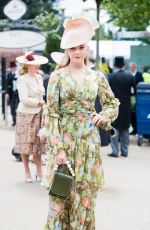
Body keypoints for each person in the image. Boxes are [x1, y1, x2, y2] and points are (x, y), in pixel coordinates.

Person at [43, 17, 119, 229]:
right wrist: (57, 147)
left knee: (84, 202)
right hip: (64, 148)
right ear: (67, 50)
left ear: (87, 48)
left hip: (88, 147)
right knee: (59, 200)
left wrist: (104, 116)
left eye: (81, 47)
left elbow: (112, 103)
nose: (77, 52)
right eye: (73, 48)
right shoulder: (57, 77)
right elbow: (52, 114)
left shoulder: (98, 78)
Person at [15, 51, 48, 182]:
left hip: (39, 114)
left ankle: (39, 171)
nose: (37, 66)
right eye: (34, 64)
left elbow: (41, 95)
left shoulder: (39, 77)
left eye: (37, 64)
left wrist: (43, 104)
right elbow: (24, 99)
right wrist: (39, 102)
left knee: (38, 143)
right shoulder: (22, 79)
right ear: (27, 65)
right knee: (25, 144)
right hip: (25, 115)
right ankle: (27, 171)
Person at [108, 57, 136, 158]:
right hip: (126, 106)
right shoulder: (130, 77)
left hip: (114, 105)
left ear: (115, 65)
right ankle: (125, 151)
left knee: (114, 128)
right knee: (125, 129)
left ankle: (115, 151)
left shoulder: (111, 76)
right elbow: (134, 92)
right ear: (124, 65)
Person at [129, 62, 143, 134]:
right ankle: (134, 129)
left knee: (136, 112)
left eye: (133, 67)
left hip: (137, 96)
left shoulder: (140, 75)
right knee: (131, 113)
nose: (132, 68)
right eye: (131, 67)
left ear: (135, 67)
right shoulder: (128, 74)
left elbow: (141, 83)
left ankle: (137, 129)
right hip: (130, 96)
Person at [5, 61, 19, 126]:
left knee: (18, 106)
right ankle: (14, 121)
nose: (13, 68)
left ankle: (19, 120)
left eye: (14, 67)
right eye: (12, 67)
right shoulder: (9, 74)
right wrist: (7, 93)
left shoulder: (18, 73)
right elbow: (7, 84)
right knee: (12, 107)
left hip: (18, 92)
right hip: (12, 92)